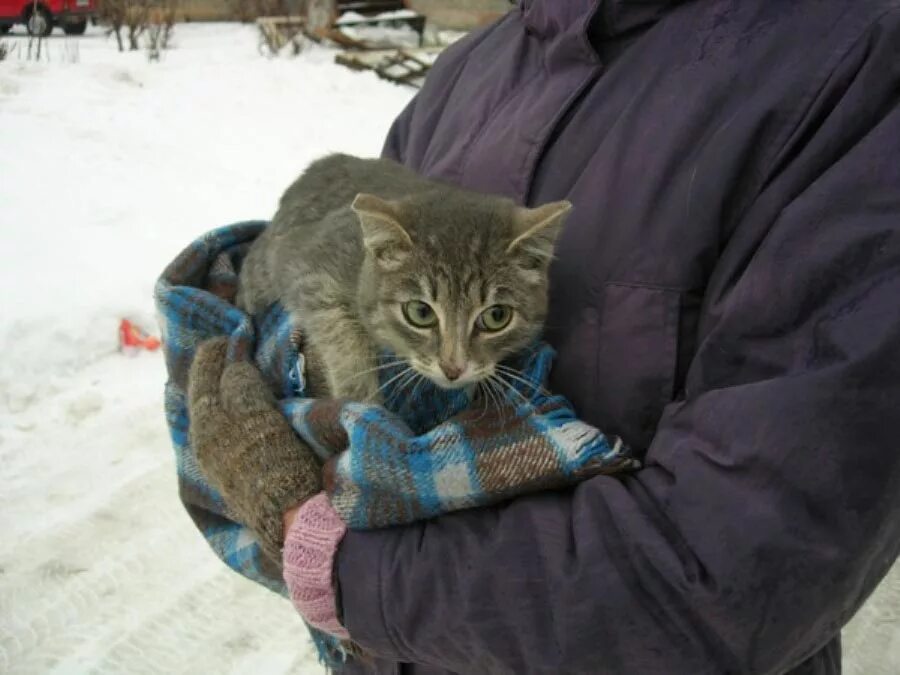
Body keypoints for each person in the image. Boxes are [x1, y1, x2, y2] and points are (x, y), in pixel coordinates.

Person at [186, 1, 900, 672]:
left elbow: (739, 574)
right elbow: (358, 284)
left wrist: (338, 564)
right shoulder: (470, 69)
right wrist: (293, 404)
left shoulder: (858, 68)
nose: (457, 360)